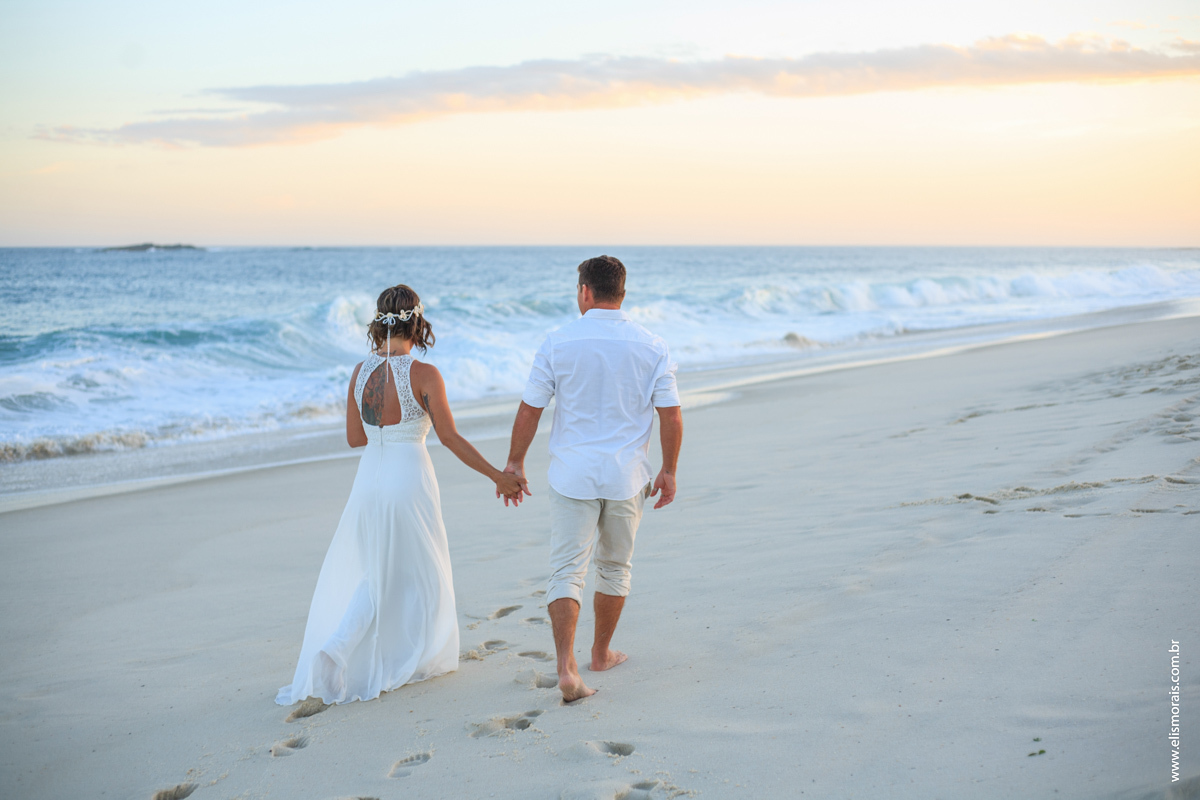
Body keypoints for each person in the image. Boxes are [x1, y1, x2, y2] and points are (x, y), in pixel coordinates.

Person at [277, 284, 527, 708]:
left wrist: (384, 432)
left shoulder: (359, 373)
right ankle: (340, 650)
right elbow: (449, 437)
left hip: (368, 479)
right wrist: (496, 477)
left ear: (379, 322)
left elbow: (356, 438)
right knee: (411, 571)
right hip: (407, 478)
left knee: (383, 571)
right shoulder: (424, 375)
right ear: (418, 322)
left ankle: (356, 650)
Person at [502, 255, 683, 702]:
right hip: (626, 476)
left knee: (567, 570)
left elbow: (531, 408)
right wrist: (669, 469)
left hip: (572, 475)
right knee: (615, 568)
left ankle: (567, 667)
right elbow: (671, 414)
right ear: (622, 293)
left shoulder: (558, 341)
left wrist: (514, 463)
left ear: (584, 291)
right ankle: (600, 654)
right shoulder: (652, 344)